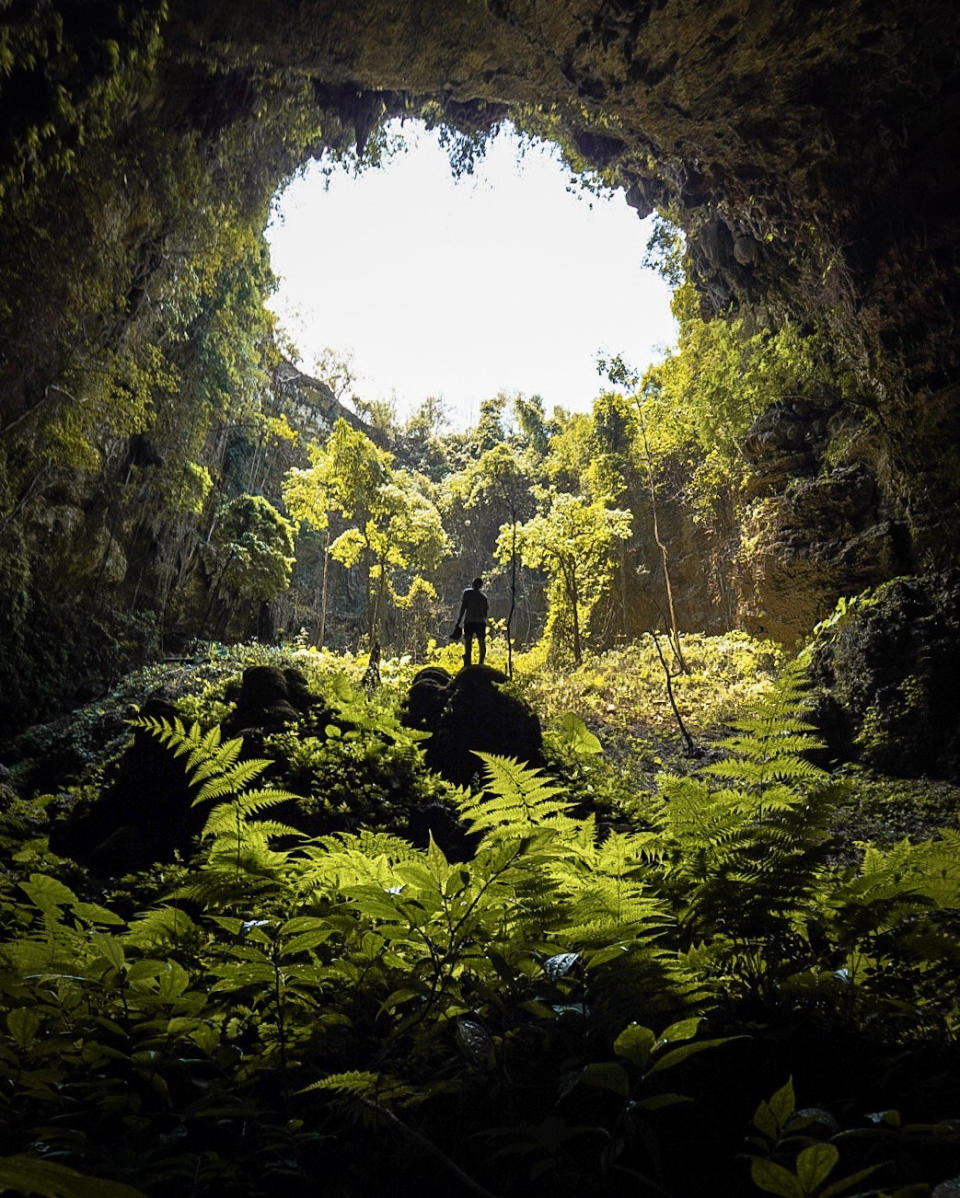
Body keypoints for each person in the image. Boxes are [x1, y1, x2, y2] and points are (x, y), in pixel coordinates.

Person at [454, 576, 488, 667]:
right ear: (481, 586)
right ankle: (481, 663)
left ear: (473, 584)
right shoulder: (484, 597)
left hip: (469, 621)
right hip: (480, 622)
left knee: (468, 641)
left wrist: (459, 620)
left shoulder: (467, 593)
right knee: (481, 642)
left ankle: (468, 662)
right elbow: (485, 613)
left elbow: (463, 607)